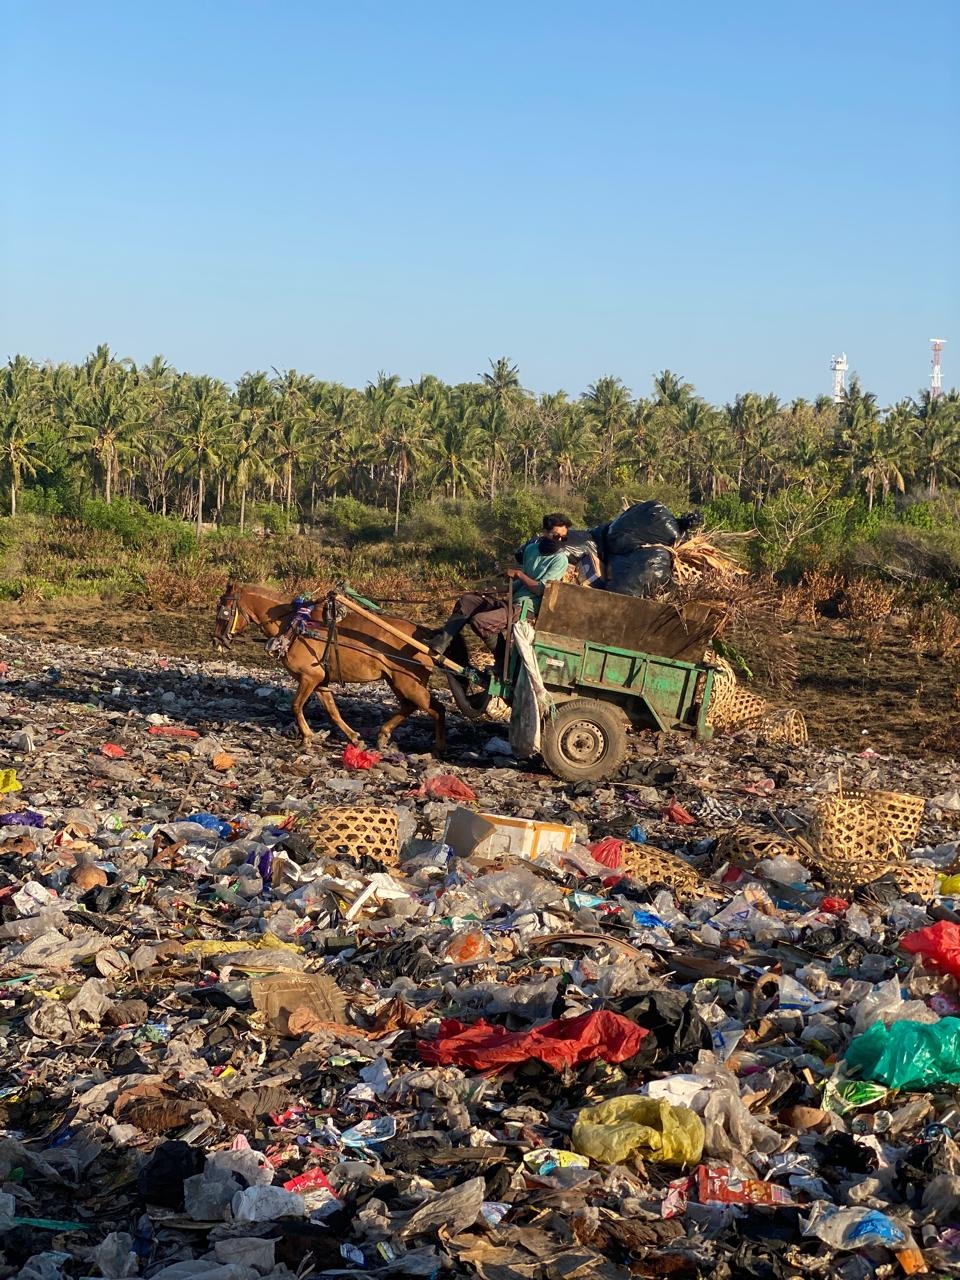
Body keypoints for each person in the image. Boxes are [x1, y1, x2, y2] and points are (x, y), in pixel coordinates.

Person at [430, 513, 571, 655]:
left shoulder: (560, 560)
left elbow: (540, 589)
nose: (559, 540)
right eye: (555, 535)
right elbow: (521, 584)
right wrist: (496, 590)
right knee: (467, 601)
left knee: (480, 622)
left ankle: (503, 658)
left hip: (527, 609)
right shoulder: (531, 550)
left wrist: (518, 574)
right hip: (514, 602)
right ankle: (442, 643)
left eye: (563, 538)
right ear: (545, 532)